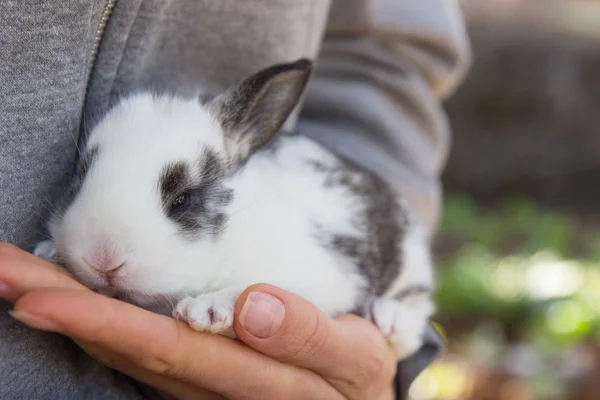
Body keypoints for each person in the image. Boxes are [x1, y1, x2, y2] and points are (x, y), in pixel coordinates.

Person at [0, 0, 471, 399]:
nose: (106, 263)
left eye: (182, 202)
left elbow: (384, 53)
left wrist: (368, 364)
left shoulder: (269, 225)